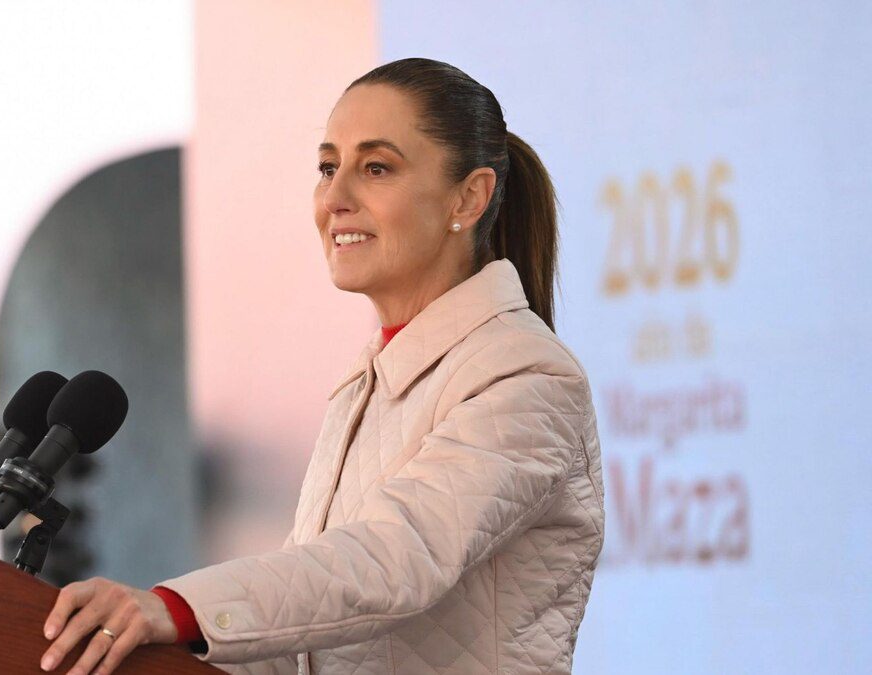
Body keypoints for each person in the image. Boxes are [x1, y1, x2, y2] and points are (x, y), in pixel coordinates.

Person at [38, 57, 604, 675]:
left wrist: (176, 609)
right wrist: (134, 646)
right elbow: (306, 644)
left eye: (376, 168)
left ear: (469, 197)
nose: (335, 198)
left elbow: (392, 560)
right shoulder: (369, 382)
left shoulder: (527, 376)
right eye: (328, 168)